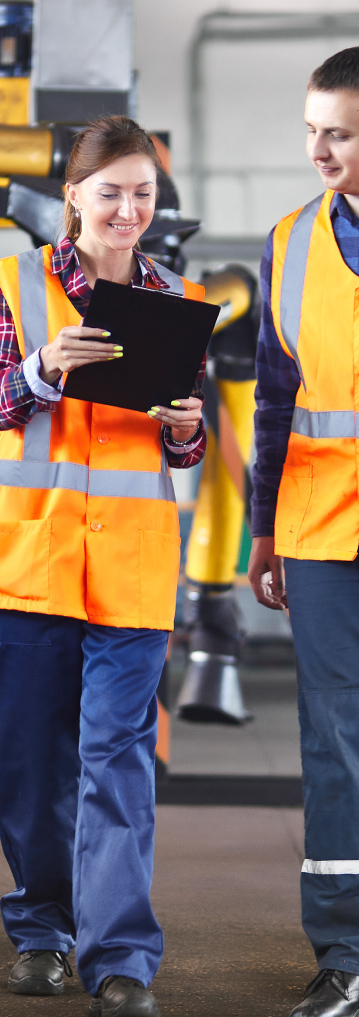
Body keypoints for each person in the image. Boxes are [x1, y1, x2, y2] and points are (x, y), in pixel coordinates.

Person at [0, 114, 207, 1017]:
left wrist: (189, 431)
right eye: (112, 190)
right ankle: (41, 928)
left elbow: (179, 449)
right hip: (31, 562)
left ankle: (120, 957)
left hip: (129, 570)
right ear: (73, 195)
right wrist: (41, 370)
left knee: (116, 761)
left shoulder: (177, 300)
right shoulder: (15, 287)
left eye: (144, 193)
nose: (129, 209)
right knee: (34, 765)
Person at [248, 46, 359, 1017]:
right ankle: (343, 953)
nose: (318, 150)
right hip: (320, 533)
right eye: (311, 132)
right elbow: (275, 407)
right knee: (331, 741)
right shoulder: (288, 241)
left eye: (339, 133)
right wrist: (260, 534)